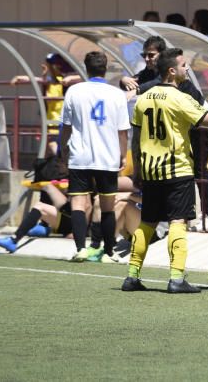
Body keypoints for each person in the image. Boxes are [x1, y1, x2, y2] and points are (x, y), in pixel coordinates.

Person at [123, 48, 208, 294]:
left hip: (149, 170)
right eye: (183, 65)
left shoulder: (143, 98)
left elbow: (135, 139)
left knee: (147, 222)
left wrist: (137, 168)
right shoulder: (180, 98)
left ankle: (132, 275)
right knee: (178, 222)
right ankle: (177, 278)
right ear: (172, 70)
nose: (186, 69)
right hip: (176, 170)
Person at [61, 51, 130, 264]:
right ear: (105, 68)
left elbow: (66, 126)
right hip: (107, 157)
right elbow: (122, 131)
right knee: (108, 205)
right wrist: (122, 155)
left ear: (86, 68)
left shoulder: (74, 90)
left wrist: (64, 152)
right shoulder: (117, 94)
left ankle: (81, 249)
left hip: (80, 155)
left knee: (78, 203)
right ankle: (109, 252)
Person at [0, 183, 74, 253]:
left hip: (75, 221)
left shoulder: (81, 174)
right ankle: (44, 226)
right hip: (70, 217)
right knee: (47, 186)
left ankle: (13, 240)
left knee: (41, 205)